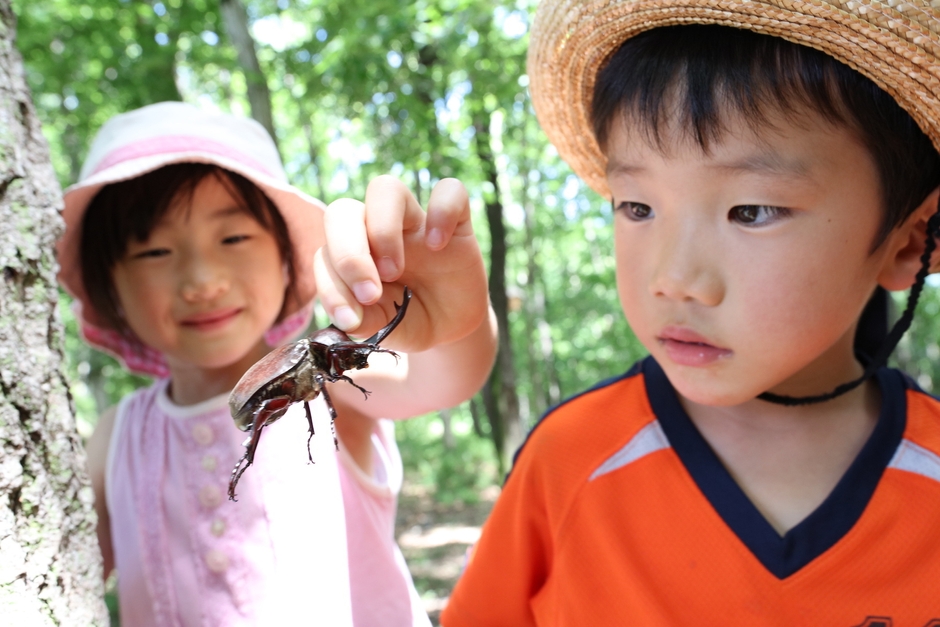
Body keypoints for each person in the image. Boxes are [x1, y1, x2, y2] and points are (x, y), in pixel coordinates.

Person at [441, 1, 940, 624]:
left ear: (910, 242)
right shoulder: (570, 459)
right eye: (637, 207)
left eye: (751, 211)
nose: (674, 280)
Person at [58, 101, 497, 626]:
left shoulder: (340, 385)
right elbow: (68, 574)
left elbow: (443, 379)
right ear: (110, 286)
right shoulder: (116, 437)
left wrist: (450, 322)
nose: (203, 280)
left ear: (287, 259)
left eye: (234, 238)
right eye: (155, 251)